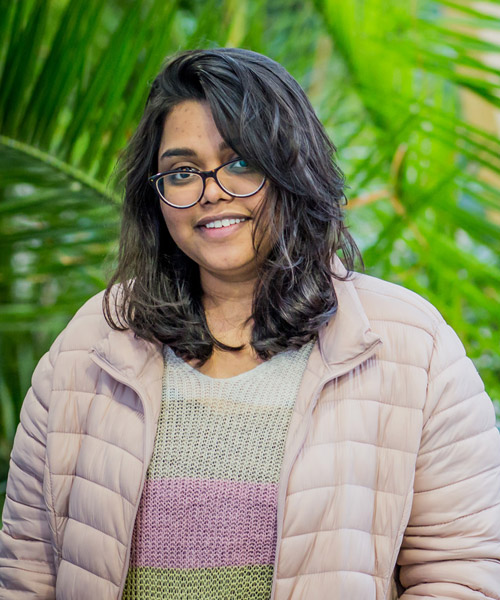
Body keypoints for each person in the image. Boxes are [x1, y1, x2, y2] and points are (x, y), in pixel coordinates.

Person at [0, 47, 499, 600]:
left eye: (241, 162)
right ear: (156, 195)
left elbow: (464, 575)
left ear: (294, 170)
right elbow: (26, 574)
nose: (212, 190)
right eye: (182, 171)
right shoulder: (92, 341)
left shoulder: (411, 348)